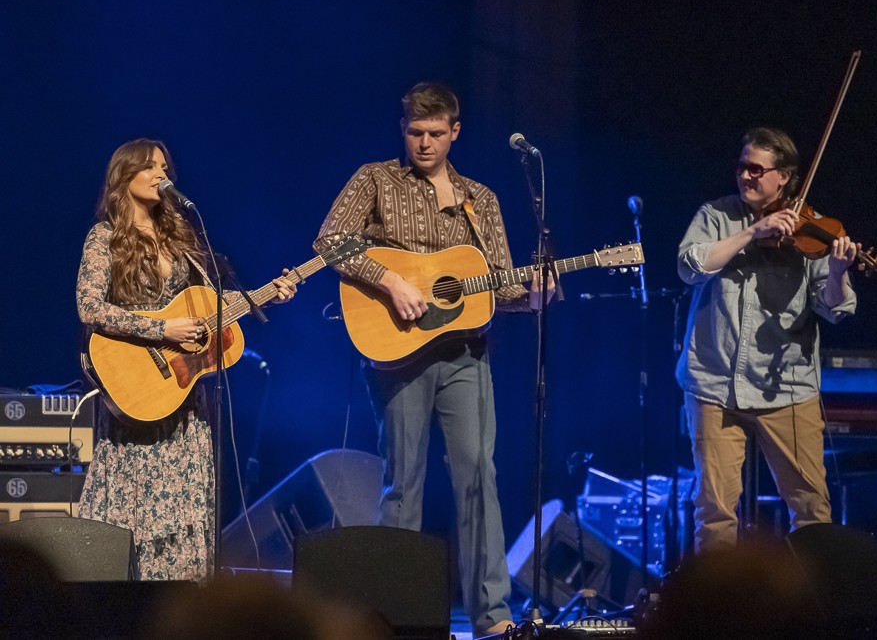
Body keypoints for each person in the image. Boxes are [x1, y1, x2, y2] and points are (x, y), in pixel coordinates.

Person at [314, 82, 549, 637]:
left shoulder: (479, 199)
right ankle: (396, 614)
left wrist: (533, 295)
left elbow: (497, 285)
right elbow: (330, 240)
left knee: (478, 477)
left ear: (455, 132)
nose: (425, 143)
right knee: (404, 483)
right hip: (398, 354)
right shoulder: (375, 179)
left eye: (436, 133)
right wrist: (390, 280)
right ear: (403, 129)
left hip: (466, 354)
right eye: (416, 132)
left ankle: (493, 616)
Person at [76, 138, 296, 581]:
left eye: (164, 166)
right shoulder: (105, 237)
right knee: (131, 518)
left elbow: (208, 307)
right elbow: (90, 308)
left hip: (182, 399)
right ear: (124, 176)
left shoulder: (179, 238)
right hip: (136, 389)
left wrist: (266, 296)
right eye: (149, 167)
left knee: (186, 520)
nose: (161, 174)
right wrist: (163, 330)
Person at [675, 127, 859, 553]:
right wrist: (751, 233)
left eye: (757, 170)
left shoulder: (812, 228)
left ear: (784, 177)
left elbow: (834, 309)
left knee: (811, 508)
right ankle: (717, 596)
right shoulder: (716, 215)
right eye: (742, 167)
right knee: (714, 512)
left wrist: (837, 273)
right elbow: (689, 266)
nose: (746, 176)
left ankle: (816, 593)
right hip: (715, 384)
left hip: (786, 388)